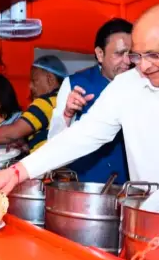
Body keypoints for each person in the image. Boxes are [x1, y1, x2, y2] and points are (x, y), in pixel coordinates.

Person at [0, 4, 159, 202]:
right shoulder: (127, 85)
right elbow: (82, 136)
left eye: (154, 55)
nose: (143, 65)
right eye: (137, 55)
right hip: (150, 221)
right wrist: (17, 172)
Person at [48, 18, 133, 184]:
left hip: (131, 191)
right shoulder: (75, 84)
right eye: (119, 54)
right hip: (85, 189)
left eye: (131, 53)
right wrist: (67, 114)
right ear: (100, 54)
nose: (127, 61)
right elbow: (54, 143)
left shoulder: (143, 83)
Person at [0, 56, 68, 153]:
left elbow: (12, 133)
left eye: (34, 80)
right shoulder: (65, 99)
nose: (30, 86)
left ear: (50, 79)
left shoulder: (46, 103)